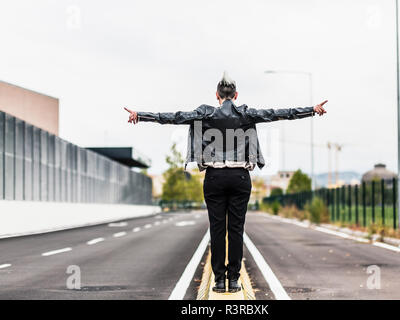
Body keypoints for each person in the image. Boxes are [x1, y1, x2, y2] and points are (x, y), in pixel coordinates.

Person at [125, 72, 327, 293]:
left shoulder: (205, 113)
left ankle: (219, 281)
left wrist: (141, 115)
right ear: (236, 95)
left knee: (217, 230)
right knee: (236, 230)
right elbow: (279, 114)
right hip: (240, 177)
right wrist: (312, 110)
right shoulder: (246, 114)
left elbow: (174, 116)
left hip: (214, 177)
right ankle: (234, 279)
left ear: (217, 96)